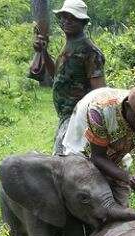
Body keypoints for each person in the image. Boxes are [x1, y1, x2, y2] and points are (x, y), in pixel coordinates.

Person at [61, 85, 135, 214]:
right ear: (127, 107)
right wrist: (127, 177)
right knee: (82, 192)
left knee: (120, 204)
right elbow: (97, 156)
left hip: (116, 150)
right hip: (85, 142)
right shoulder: (99, 110)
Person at [33, 0, 106, 154]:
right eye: (64, 17)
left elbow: (100, 95)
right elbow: (57, 76)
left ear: (83, 22)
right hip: (65, 118)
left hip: (78, 119)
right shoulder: (68, 46)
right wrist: (44, 52)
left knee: (63, 165)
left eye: (72, 18)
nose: (66, 21)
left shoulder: (89, 51)